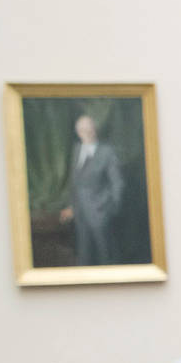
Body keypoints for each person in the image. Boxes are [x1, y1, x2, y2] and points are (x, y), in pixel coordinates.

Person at [58, 114, 127, 266]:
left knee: (106, 256)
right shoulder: (76, 150)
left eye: (89, 129)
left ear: (95, 129)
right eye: (83, 130)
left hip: (101, 213)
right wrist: (71, 206)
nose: (87, 133)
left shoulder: (107, 152)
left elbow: (118, 183)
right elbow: (75, 183)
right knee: (84, 256)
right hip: (80, 214)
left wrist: (109, 208)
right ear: (78, 132)